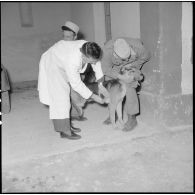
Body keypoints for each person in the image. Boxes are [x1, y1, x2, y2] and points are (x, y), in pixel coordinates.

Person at [38, 40, 105, 140]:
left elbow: (97, 64)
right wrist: (94, 97)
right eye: (92, 61)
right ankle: (64, 131)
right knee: (60, 97)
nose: (94, 62)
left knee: (68, 95)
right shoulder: (72, 60)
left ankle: (67, 124)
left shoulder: (89, 48)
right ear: (84, 57)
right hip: (53, 62)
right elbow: (76, 84)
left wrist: (101, 86)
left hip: (62, 57)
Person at [101, 37, 150, 131]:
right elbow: (106, 69)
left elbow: (146, 57)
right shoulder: (107, 51)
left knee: (129, 84)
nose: (124, 61)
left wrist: (133, 65)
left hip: (132, 64)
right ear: (114, 53)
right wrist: (119, 76)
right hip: (115, 66)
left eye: (126, 57)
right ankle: (113, 112)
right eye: (122, 58)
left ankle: (132, 117)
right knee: (111, 85)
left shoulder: (139, 48)